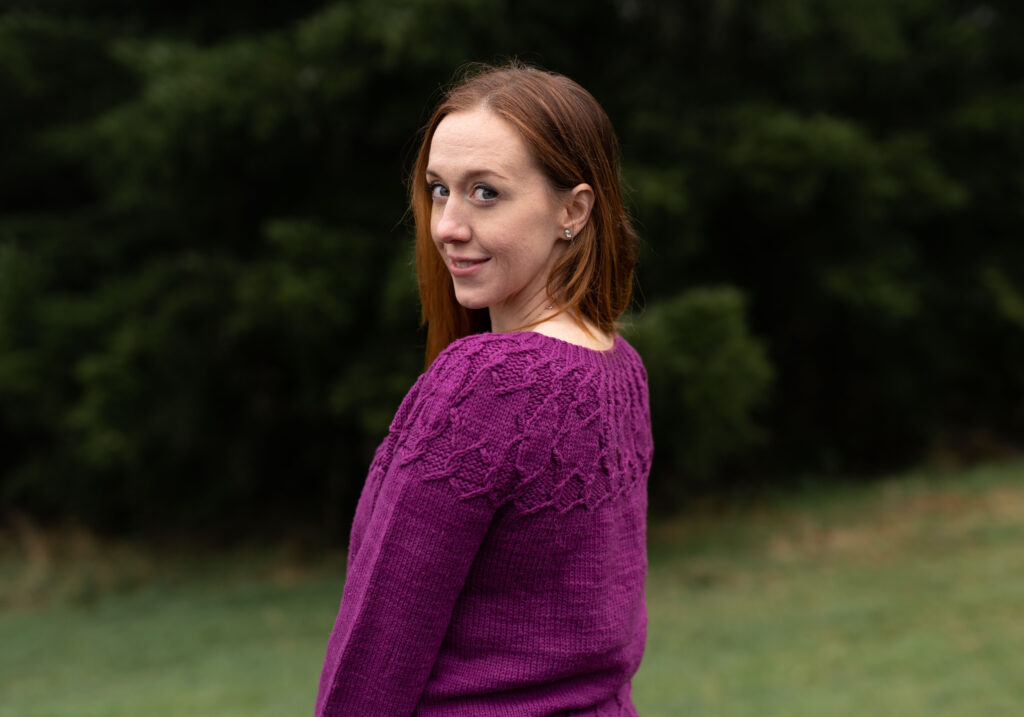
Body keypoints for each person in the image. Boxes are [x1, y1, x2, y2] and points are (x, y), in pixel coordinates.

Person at [315, 61, 653, 716]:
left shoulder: (485, 384)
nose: (446, 224)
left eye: (485, 193)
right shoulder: (620, 369)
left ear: (573, 209)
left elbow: (382, 639)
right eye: (439, 190)